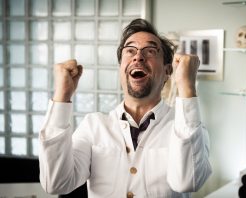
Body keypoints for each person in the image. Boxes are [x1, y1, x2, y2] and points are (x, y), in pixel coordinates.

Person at [39, 18, 211, 198]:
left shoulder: (188, 127)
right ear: (121, 67)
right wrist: (61, 97)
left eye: (150, 50)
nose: (138, 56)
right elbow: (56, 183)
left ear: (168, 71)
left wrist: (187, 88)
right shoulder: (93, 125)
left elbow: (187, 181)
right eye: (130, 50)